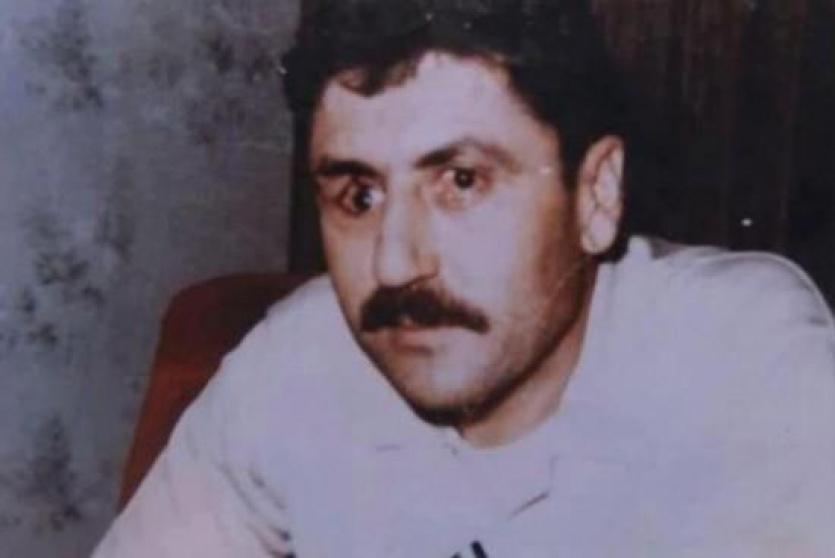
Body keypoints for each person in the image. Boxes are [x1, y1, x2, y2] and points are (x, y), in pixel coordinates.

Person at [93, 1, 835, 556]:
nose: (393, 263)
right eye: (359, 195)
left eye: (461, 181)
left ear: (596, 195)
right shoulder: (297, 361)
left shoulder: (740, 357)